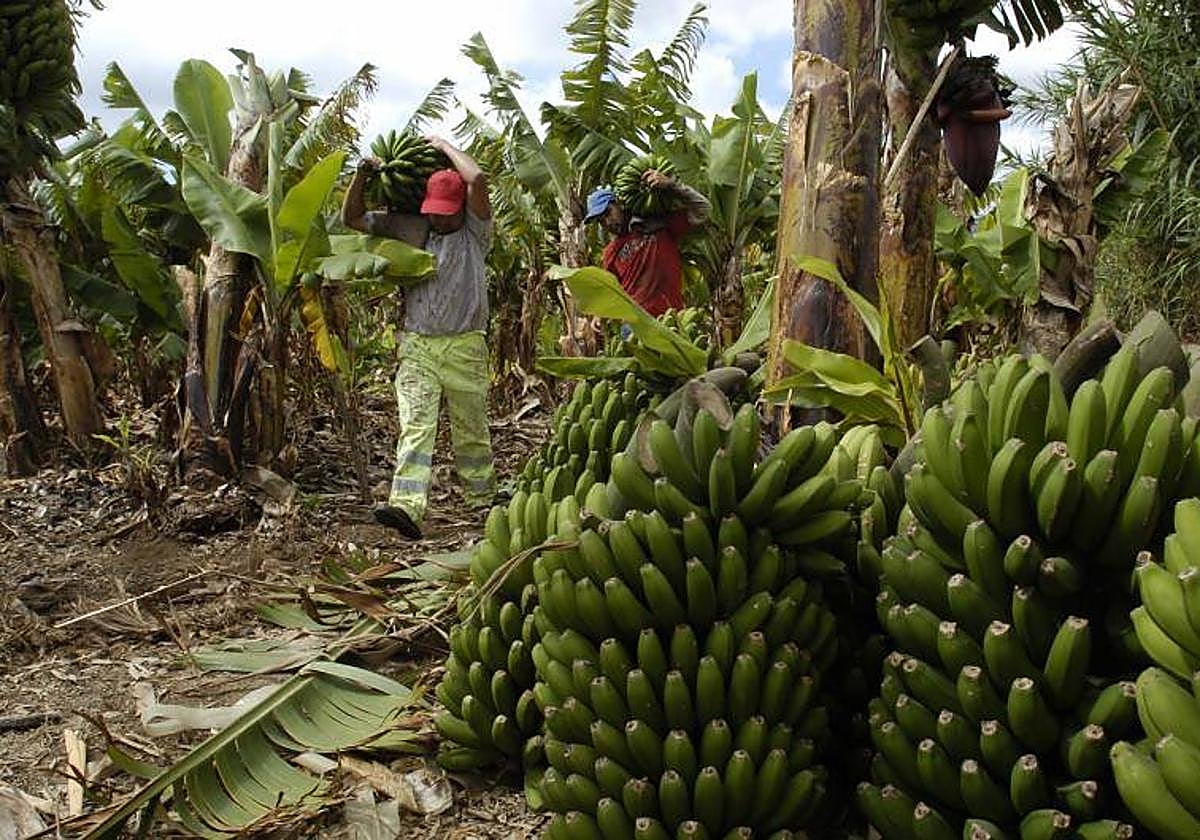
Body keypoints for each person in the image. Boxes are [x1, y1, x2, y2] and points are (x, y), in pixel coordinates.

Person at [342, 136, 496, 540]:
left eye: (448, 213)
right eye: (435, 213)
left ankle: (482, 502)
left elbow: (477, 178)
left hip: (465, 344)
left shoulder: (476, 235)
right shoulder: (413, 229)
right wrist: (362, 176)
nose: (442, 220)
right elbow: (353, 219)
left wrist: (444, 146)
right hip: (418, 345)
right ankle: (407, 507)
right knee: (416, 425)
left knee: (472, 429)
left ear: (460, 207)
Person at [583, 170, 711, 320]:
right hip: (635, 325)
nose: (607, 222)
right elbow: (610, 291)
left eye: (608, 213)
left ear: (619, 204)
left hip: (671, 317)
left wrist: (672, 186)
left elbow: (703, 209)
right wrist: (599, 316)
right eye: (601, 220)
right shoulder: (610, 253)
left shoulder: (659, 225)